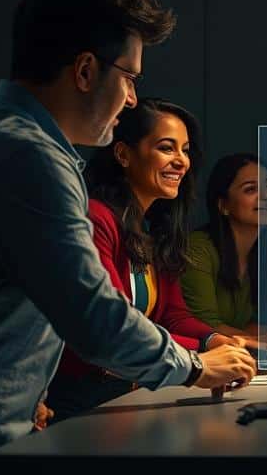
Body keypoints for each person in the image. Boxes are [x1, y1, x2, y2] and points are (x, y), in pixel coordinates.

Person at [0, 0, 254, 475]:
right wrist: (194, 367)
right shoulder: (28, 155)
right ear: (85, 71)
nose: (130, 100)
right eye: (130, 78)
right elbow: (92, 318)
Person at [45, 98, 250, 420]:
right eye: (167, 148)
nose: (181, 161)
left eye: (185, 150)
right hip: (81, 399)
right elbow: (112, 327)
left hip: (126, 392)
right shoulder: (97, 219)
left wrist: (213, 339)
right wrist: (200, 356)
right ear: (124, 154)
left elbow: (173, 315)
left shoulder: (147, 228)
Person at [181, 153, 267, 352]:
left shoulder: (260, 253)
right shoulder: (198, 249)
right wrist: (258, 340)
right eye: (250, 189)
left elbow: (241, 323)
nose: (265, 196)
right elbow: (202, 325)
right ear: (223, 205)